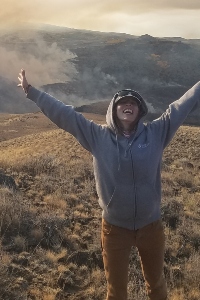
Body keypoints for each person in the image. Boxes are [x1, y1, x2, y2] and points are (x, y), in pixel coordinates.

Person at [18, 69, 200, 300]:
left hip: (151, 227)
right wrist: (32, 92)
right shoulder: (97, 136)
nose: (128, 105)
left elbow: (181, 106)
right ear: (113, 109)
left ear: (140, 110)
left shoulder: (156, 133)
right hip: (115, 230)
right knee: (116, 292)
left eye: (133, 103)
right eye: (122, 102)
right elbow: (65, 115)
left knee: (156, 285)